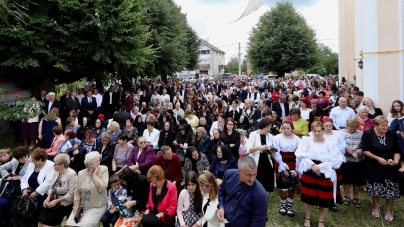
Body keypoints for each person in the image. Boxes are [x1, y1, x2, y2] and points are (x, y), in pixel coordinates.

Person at [295, 121, 344, 227]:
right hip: (309, 169)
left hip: (325, 171)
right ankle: (307, 218)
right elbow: (301, 154)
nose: (317, 133)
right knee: (309, 197)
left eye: (319, 131)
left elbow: (336, 160)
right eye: (314, 131)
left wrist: (320, 167)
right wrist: (312, 165)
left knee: (324, 198)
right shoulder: (306, 141)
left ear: (323, 131)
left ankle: (321, 221)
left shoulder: (330, 143)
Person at [362, 116, 402, 222]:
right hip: (373, 164)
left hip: (390, 166)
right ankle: (376, 206)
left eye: (387, 125)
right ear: (376, 125)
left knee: (391, 187)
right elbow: (365, 150)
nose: (386, 127)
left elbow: (397, 150)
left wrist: (396, 161)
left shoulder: (392, 134)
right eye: (383, 125)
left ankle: (389, 210)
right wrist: (377, 158)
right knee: (375, 185)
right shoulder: (368, 133)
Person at [217, 156, 268, 227]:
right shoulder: (229, 175)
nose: (252, 179)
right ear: (239, 171)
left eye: (255, 174)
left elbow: (258, 223)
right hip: (225, 223)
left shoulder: (260, 195)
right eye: (249, 175)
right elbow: (222, 191)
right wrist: (221, 206)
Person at [65, 152, 109, 227]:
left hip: (97, 206)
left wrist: (95, 175)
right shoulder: (81, 173)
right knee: (70, 225)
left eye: (99, 160)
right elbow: (77, 193)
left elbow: (101, 188)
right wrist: (76, 211)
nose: (99, 162)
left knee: (84, 225)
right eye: (96, 161)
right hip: (82, 206)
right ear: (89, 164)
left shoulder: (103, 169)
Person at [16, 148, 55, 226]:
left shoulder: (51, 165)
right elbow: (24, 178)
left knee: (33, 211)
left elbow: (47, 182)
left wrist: (36, 193)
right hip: (29, 192)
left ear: (40, 159)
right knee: (20, 208)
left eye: (34, 160)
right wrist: (24, 189)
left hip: (42, 194)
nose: (31, 161)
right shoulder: (31, 164)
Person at [38, 154, 78, 227]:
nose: (53, 166)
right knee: (40, 221)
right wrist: (48, 198)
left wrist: (57, 201)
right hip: (53, 200)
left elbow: (71, 193)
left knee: (47, 224)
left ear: (62, 165)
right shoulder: (56, 171)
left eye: (55, 164)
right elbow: (51, 187)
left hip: (64, 203)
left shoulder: (72, 174)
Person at [272, 120, 301, 217]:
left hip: (293, 163)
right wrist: (283, 167)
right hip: (282, 162)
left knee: (292, 186)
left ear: (292, 129)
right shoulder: (277, 138)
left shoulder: (297, 139)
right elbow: (276, 153)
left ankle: (289, 206)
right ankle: (282, 205)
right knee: (283, 187)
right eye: (284, 128)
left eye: (288, 128)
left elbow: (299, 155)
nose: (286, 130)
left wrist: (295, 170)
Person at [0, 147, 30, 226]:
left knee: (6, 203)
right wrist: (7, 177)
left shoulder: (32, 162)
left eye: (25, 156)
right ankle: (5, 220)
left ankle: (8, 219)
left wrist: (18, 177)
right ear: (17, 159)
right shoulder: (14, 161)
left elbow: (30, 176)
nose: (24, 159)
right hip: (12, 185)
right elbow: (2, 168)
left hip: (25, 187)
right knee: (2, 202)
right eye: (21, 158)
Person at [245, 118, 275, 195]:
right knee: (255, 183)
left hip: (267, 162)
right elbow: (249, 149)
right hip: (256, 162)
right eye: (267, 127)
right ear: (262, 125)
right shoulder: (253, 134)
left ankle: (265, 199)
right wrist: (259, 147)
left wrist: (272, 152)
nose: (268, 129)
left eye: (270, 127)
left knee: (266, 185)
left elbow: (272, 148)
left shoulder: (270, 136)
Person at [341, 119, 365, 208]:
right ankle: (346, 195)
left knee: (357, 180)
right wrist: (345, 148)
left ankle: (356, 197)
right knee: (346, 179)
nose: (352, 130)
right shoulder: (341, 133)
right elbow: (338, 144)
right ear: (347, 126)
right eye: (351, 128)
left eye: (354, 128)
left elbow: (364, 146)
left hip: (358, 161)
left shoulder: (361, 134)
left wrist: (358, 151)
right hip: (346, 160)